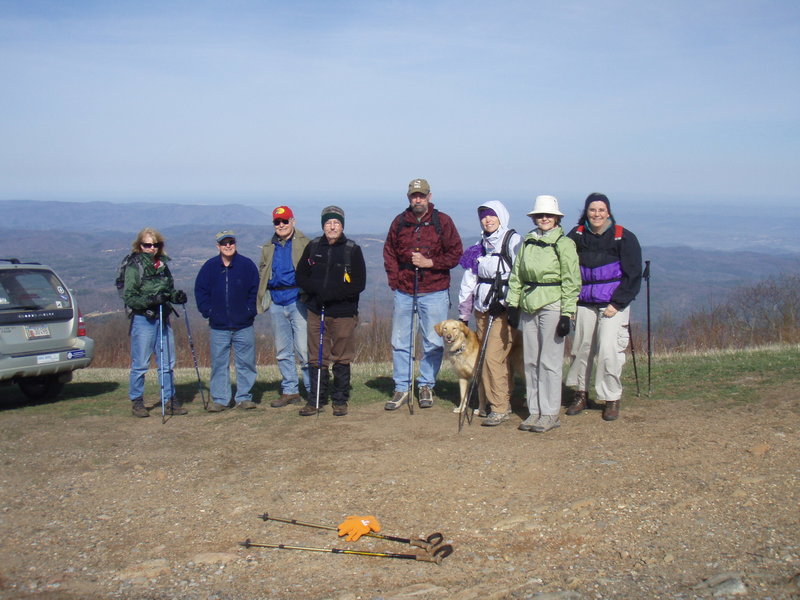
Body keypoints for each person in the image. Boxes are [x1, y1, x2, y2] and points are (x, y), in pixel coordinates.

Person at [383, 178, 463, 410]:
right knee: (400, 340)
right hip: (405, 291)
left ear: (429, 196)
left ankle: (426, 384)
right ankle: (402, 387)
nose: (417, 199)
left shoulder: (443, 222)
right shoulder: (399, 222)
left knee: (433, 341)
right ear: (408, 197)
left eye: (421, 195)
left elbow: (456, 253)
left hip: (435, 290)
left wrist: (431, 263)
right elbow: (389, 253)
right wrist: (395, 281)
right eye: (413, 196)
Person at [565, 193, 642, 421]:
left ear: (608, 212)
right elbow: (567, 269)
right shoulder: (576, 236)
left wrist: (617, 303)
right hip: (584, 302)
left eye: (601, 210)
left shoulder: (624, 238)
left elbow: (633, 274)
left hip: (612, 305)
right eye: (592, 210)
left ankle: (611, 397)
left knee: (609, 350)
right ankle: (581, 394)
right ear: (586, 212)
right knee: (581, 349)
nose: (597, 214)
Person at [506, 195, 581, 433]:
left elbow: (571, 280)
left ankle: (549, 413)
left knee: (549, 361)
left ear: (557, 218)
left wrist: (567, 314)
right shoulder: (527, 242)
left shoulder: (564, 244)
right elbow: (517, 275)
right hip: (529, 304)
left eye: (548, 215)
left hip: (552, 303)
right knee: (530, 360)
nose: (544, 219)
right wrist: (512, 304)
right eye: (540, 215)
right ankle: (535, 411)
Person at [295, 206, 366, 417]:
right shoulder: (313, 246)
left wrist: (334, 293)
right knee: (317, 356)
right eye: (328, 223)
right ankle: (316, 400)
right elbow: (301, 275)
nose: (332, 226)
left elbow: (358, 283)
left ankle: (340, 400)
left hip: (343, 311)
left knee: (342, 356)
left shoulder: (352, 250)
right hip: (317, 310)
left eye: (335, 223)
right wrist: (316, 291)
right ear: (323, 225)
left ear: (342, 225)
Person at [457, 201, 522, 426]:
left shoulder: (512, 241)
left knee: (493, 357)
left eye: (491, 215)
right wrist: (464, 314)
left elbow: (519, 275)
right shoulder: (480, 246)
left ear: (501, 217)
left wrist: (505, 303)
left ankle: (499, 406)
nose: (487, 220)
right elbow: (469, 281)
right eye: (484, 216)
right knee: (486, 357)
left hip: (502, 311)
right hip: (482, 310)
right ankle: (496, 402)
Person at [123, 227, 189, 418]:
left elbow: (168, 291)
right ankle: (137, 401)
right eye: (147, 245)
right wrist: (149, 301)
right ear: (140, 246)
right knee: (141, 364)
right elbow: (129, 296)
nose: (151, 248)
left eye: (155, 245)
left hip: (163, 317)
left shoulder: (162, 266)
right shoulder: (134, 266)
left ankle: (170, 401)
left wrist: (177, 297)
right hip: (144, 319)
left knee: (167, 362)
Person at [194, 230, 260, 412]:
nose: (228, 246)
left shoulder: (246, 265)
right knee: (219, 364)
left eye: (231, 242)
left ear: (235, 243)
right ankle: (221, 399)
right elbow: (200, 291)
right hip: (218, 326)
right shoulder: (209, 267)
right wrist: (208, 311)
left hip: (243, 324)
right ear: (218, 246)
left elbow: (255, 290)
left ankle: (244, 398)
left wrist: (250, 311)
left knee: (246, 363)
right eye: (224, 243)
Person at [256, 206, 311, 407]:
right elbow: (263, 269)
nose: (281, 225)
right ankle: (290, 390)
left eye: (284, 221)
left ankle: (312, 390)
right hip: (276, 301)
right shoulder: (268, 247)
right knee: (282, 350)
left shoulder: (305, 244)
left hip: (298, 299)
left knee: (304, 350)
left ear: (293, 222)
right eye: (277, 222)